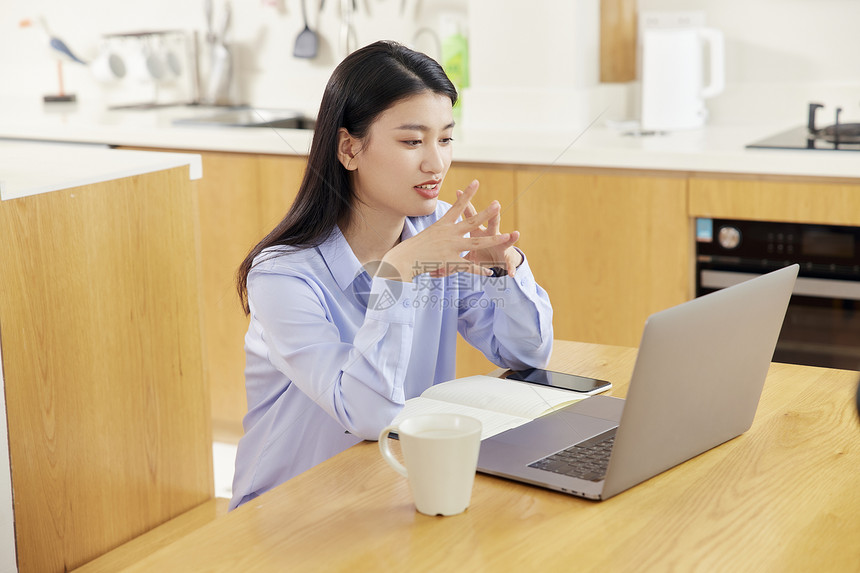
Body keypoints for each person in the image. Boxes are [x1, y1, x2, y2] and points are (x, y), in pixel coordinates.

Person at [229, 40, 553, 510]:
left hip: (397, 482)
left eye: (444, 138)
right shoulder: (283, 278)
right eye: (411, 141)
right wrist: (396, 276)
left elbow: (526, 353)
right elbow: (367, 414)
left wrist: (506, 270)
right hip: (291, 507)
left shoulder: (436, 232)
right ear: (349, 149)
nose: (435, 163)